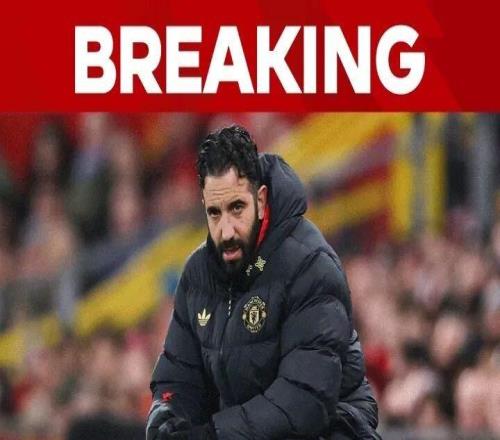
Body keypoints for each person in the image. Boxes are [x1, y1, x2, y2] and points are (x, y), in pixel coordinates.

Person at [147, 126, 380, 439]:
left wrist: (215, 434)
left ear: (260, 198)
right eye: (214, 213)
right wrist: (165, 417)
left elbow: (304, 402)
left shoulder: (310, 266)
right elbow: (177, 377)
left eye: (237, 208)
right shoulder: (198, 274)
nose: (226, 230)